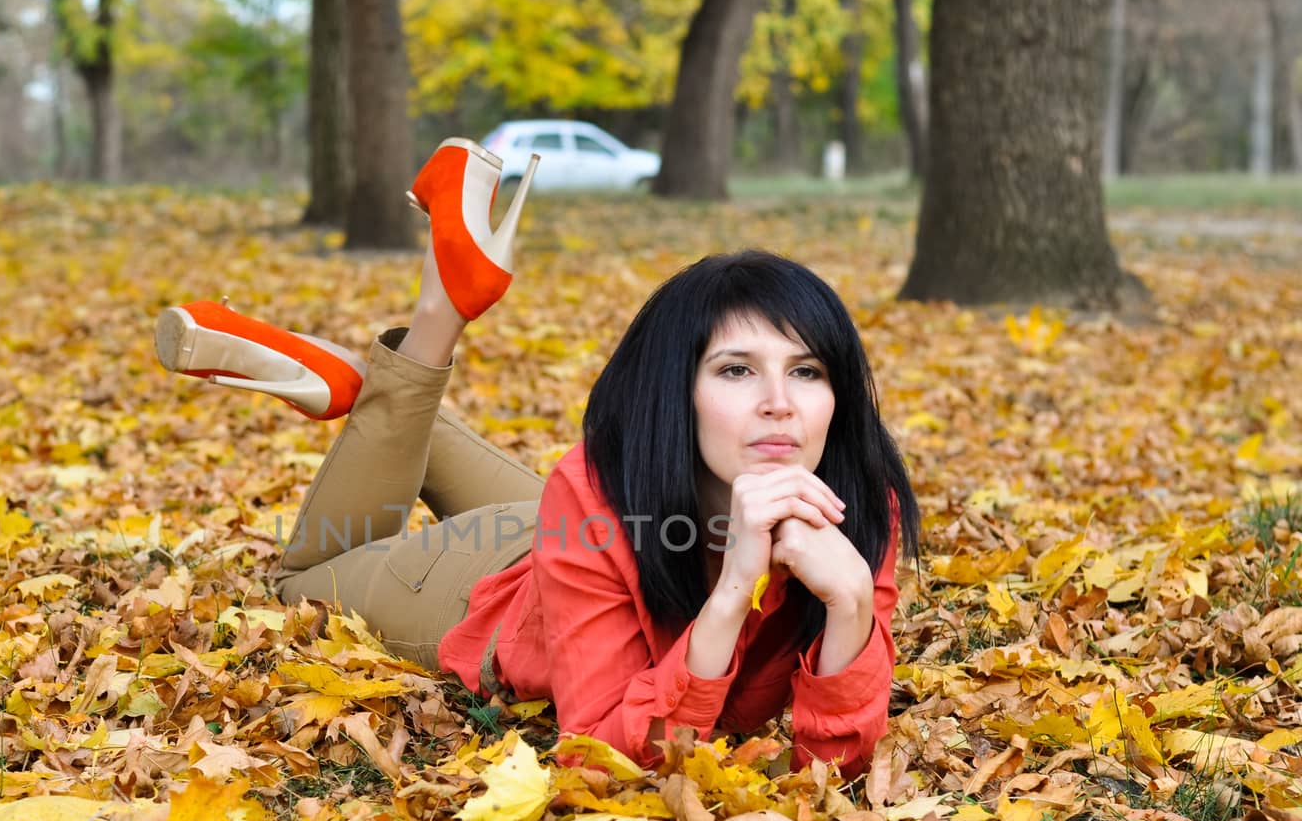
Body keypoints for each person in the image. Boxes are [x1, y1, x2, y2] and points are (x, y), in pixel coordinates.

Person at [153, 138, 919, 774]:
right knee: (302, 580)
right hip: (489, 581)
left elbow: (835, 769)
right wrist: (731, 596)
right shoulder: (592, 490)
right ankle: (429, 326)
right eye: (736, 370)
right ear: (671, 393)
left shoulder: (854, 498)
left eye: (808, 371)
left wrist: (850, 606)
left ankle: (379, 381)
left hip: (565, 537)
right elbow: (603, 757)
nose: (780, 401)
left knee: (534, 493)